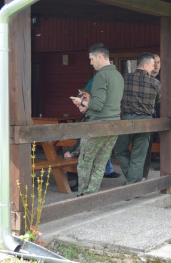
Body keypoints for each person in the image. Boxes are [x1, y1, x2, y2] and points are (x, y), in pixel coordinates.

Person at [70, 43, 124, 196]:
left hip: (97, 125)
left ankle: (83, 195)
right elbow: (108, 101)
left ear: (100, 56)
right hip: (114, 125)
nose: (91, 63)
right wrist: (90, 98)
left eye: (92, 59)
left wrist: (80, 101)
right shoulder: (118, 75)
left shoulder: (101, 76)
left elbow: (97, 105)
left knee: (85, 163)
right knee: (100, 164)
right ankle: (91, 194)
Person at [113, 52, 161, 184]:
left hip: (126, 120)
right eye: (152, 65)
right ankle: (132, 181)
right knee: (138, 156)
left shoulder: (124, 79)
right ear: (145, 66)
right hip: (146, 122)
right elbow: (158, 102)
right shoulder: (155, 83)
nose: (153, 68)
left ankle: (131, 181)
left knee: (119, 150)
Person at [64, 89, 121, 192]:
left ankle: (82, 186)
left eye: (80, 103)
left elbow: (83, 143)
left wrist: (72, 153)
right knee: (97, 163)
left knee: (79, 159)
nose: (77, 105)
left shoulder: (90, 117)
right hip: (100, 145)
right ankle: (91, 187)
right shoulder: (92, 115)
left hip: (90, 147)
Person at [142, 53, 171, 187]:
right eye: (153, 62)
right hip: (147, 117)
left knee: (168, 147)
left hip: (164, 117)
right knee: (144, 148)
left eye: (158, 62)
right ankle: (142, 177)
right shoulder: (143, 78)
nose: (156, 65)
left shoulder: (167, 79)